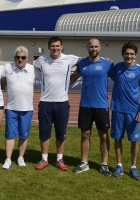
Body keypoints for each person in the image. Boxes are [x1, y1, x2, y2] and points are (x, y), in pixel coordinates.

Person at [33, 36, 81, 171]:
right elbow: (28, 66)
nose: (55, 48)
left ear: (61, 46)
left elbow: (88, 60)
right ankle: (44, 159)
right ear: (49, 47)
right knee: (44, 133)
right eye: (52, 46)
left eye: (57, 46)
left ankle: (59, 159)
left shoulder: (69, 59)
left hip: (62, 103)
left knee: (61, 133)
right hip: (45, 103)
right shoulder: (41, 60)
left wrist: (104, 60)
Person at [70, 38, 114, 176]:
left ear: (100, 48)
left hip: (101, 106)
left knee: (104, 136)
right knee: (85, 134)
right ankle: (84, 163)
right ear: (87, 48)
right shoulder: (82, 64)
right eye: (91, 47)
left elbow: (119, 77)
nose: (93, 49)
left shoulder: (107, 64)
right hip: (85, 106)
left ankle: (104, 164)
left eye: (96, 47)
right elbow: (71, 79)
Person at [110, 42, 140, 180]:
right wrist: (110, 62)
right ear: (123, 54)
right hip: (117, 110)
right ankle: (119, 165)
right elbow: (113, 75)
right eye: (127, 53)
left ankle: (133, 167)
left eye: (131, 54)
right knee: (117, 139)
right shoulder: (118, 67)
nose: (129, 56)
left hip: (133, 111)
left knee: (134, 140)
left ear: (135, 55)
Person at [2, 46, 37, 169]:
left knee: (24, 135)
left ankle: (21, 157)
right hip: (11, 108)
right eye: (18, 57)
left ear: (27, 58)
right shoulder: (7, 67)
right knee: (10, 135)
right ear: (14, 58)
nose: (20, 60)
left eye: (23, 57)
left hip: (27, 109)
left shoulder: (33, 69)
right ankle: (8, 159)